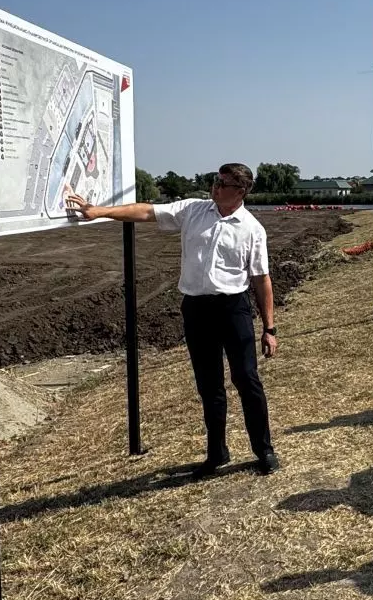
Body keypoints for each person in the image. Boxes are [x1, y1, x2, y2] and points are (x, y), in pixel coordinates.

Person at [65, 163, 280, 478]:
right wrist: (100, 212)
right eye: (215, 180)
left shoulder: (252, 228)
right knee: (209, 385)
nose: (216, 187)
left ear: (241, 191)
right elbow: (146, 211)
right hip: (196, 308)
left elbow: (261, 279)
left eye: (223, 184)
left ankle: (264, 450)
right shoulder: (193, 210)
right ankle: (217, 454)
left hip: (233, 309)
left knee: (247, 380)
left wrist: (269, 329)